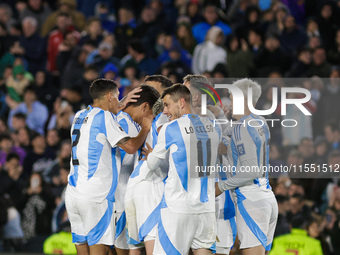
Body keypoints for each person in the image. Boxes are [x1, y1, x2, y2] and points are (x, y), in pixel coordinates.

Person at [65, 79, 152, 255]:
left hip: (73, 194)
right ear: (109, 96)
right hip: (96, 196)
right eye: (117, 96)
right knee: (100, 250)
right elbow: (131, 147)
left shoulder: (79, 115)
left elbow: (100, 123)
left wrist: (118, 105)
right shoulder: (105, 117)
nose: (119, 100)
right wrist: (145, 128)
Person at [143, 84, 222, 254]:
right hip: (206, 210)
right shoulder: (214, 127)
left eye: (167, 105)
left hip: (178, 209)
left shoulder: (170, 128)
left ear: (181, 102)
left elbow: (152, 164)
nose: (165, 111)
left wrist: (151, 154)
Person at [216, 78, 278, 255]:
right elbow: (231, 147)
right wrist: (220, 116)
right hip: (266, 196)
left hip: (251, 200)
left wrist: (220, 187)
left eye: (232, 98)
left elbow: (250, 170)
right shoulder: (259, 121)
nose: (229, 102)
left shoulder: (242, 127)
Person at [124, 75, 172, 255]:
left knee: (135, 248)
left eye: (153, 90)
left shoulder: (149, 120)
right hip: (152, 187)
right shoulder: (162, 121)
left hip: (135, 183)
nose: (148, 94)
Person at [114, 85, 160, 254]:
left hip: (110, 196)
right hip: (120, 197)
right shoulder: (133, 126)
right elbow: (131, 149)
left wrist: (120, 103)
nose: (151, 118)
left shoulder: (111, 117)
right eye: (152, 114)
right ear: (144, 106)